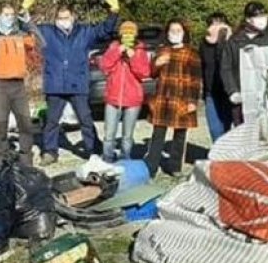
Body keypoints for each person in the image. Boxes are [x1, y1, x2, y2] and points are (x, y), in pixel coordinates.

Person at [37, 0, 121, 166]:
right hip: (55, 84)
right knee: (52, 121)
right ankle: (49, 151)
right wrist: (24, 12)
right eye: (60, 18)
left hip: (77, 83)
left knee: (85, 119)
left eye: (66, 17)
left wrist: (113, 13)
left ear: (73, 17)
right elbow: (28, 29)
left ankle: (94, 150)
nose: (63, 21)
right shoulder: (47, 32)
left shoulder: (85, 32)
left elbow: (104, 30)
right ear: (55, 19)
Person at [0, 1, 43, 167]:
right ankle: (2, 160)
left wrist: (28, 23)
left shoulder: (20, 34)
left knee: (25, 123)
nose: (9, 18)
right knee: (1, 125)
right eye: (5, 15)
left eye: (11, 15)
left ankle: (26, 160)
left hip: (18, 85)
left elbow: (40, 43)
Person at [147, 19, 202, 176]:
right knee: (158, 134)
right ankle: (151, 167)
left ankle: (175, 166)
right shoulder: (162, 50)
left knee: (180, 134)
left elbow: (196, 79)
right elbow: (152, 73)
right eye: (172, 31)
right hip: (163, 98)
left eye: (178, 30)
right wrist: (157, 64)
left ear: (184, 33)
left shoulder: (192, 53)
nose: (175, 34)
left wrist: (193, 101)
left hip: (183, 98)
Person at [220, 1, 268, 125]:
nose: (262, 20)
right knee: (245, 134)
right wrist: (232, 90)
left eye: (264, 15)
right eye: (257, 17)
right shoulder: (235, 40)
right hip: (243, 95)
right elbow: (226, 67)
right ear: (248, 19)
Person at [100, 21, 150, 162]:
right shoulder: (114, 47)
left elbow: (144, 72)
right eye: (125, 32)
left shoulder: (140, 51)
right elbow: (104, 66)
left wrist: (133, 56)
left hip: (133, 99)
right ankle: (107, 157)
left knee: (127, 135)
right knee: (109, 134)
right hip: (113, 97)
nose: (127, 35)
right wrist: (117, 52)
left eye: (131, 33)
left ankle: (125, 158)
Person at [200, 12, 234, 142]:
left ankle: (225, 157)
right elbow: (203, 66)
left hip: (228, 91)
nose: (217, 26)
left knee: (227, 128)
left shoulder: (232, 42)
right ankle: (218, 155)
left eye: (220, 22)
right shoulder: (204, 44)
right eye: (213, 23)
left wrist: (224, 40)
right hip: (211, 92)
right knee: (215, 129)